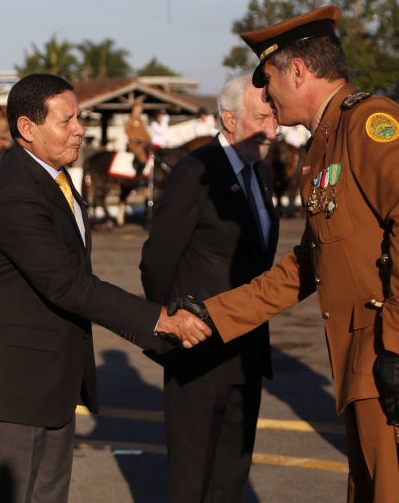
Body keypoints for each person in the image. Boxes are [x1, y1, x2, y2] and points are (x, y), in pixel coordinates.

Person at [187, 6, 399, 503]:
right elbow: (312, 262)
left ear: (298, 71)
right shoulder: (327, 141)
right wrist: (214, 314)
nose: (264, 94)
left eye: (267, 80)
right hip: (370, 358)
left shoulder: (370, 125)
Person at [0, 73, 213, 503]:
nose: (80, 128)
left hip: (51, 382)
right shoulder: (17, 192)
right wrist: (160, 320)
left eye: (79, 118)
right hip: (8, 388)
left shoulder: (56, 177)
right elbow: (68, 285)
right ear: (27, 129)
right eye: (66, 120)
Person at [140, 75, 278, 502]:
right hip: (198, 353)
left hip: (247, 350)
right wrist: (174, 324)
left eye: (274, 118)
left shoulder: (263, 174)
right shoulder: (195, 173)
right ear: (230, 119)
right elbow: (156, 263)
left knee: (231, 479)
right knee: (192, 481)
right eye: (261, 118)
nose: (271, 131)